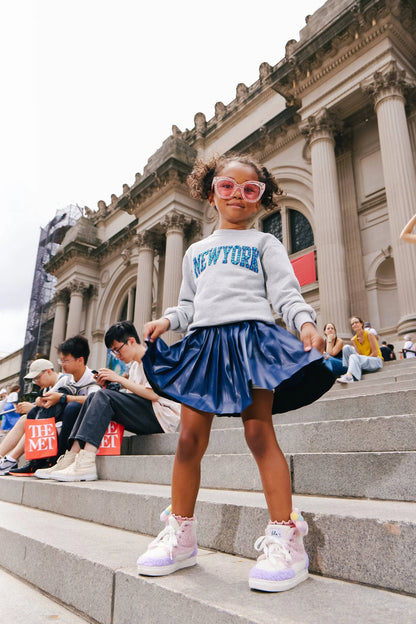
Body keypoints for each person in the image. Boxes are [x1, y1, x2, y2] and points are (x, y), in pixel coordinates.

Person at [136, 153, 335, 593]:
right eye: (227, 187)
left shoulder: (266, 245)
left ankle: (286, 536)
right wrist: (167, 322)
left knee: (258, 433)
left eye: (250, 190)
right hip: (204, 346)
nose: (238, 197)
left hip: (250, 342)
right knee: (189, 439)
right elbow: (189, 305)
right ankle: (181, 536)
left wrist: (304, 323)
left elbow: (286, 293)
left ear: (261, 198)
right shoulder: (195, 251)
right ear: (211, 192)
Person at [35, 321, 180, 482]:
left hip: (163, 417)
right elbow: (133, 398)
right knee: (95, 396)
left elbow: (153, 395)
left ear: (131, 341)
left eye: (117, 350)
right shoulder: (134, 367)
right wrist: (110, 385)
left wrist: (117, 379)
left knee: (103, 396)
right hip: (149, 413)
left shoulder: (153, 356)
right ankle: (72, 456)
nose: (117, 356)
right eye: (113, 352)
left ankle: (87, 461)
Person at [8, 337, 99, 476]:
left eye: (66, 361)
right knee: (33, 412)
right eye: (60, 361)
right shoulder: (66, 379)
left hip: (82, 424)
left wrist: (64, 398)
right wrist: (41, 400)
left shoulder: (93, 377)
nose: (62, 365)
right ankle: (36, 461)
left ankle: (60, 458)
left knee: (72, 407)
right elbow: (49, 395)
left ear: (80, 360)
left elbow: (96, 400)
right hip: (64, 421)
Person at [0, 359, 65, 475]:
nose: (36, 382)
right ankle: (4, 456)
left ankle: (11, 459)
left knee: (32, 419)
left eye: (37, 378)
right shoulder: (47, 388)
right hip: (52, 425)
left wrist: (33, 408)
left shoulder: (64, 382)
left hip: (62, 427)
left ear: (48, 371)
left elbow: (58, 412)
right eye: (34, 380)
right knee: (24, 419)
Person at [337, 316, 383, 384]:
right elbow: (359, 355)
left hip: (376, 360)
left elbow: (375, 353)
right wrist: (360, 359)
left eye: (356, 322)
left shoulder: (369, 334)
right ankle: (348, 372)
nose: (354, 325)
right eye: (352, 324)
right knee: (346, 348)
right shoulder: (353, 339)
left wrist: (361, 359)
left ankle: (349, 376)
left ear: (362, 324)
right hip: (364, 361)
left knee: (353, 356)